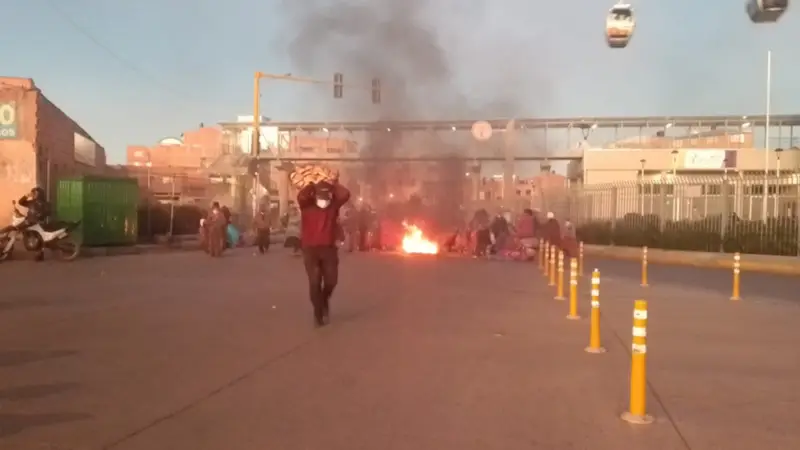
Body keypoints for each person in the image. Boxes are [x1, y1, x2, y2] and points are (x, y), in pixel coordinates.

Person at [297, 180, 351, 327]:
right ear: (315, 196)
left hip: (328, 249)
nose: (324, 199)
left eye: (326, 195)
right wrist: (311, 185)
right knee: (314, 282)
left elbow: (345, 194)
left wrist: (333, 184)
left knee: (331, 281)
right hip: (310, 249)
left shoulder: (333, 207)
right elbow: (301, 196)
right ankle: (318, 312)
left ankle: (324, 299)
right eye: (320, 195)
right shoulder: (306, 206)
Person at [17, 187, 51, 261]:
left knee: (39, 239)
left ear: (40, 194)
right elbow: (20, 202)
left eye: (35, 193)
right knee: (30, 237)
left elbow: (48, 212)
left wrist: (41, 215)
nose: (34, 194)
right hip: (30, 223)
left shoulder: (44, 203)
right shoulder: (31, 202)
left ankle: (39, 254)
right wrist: (26, 195)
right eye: (33, 193)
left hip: (39, 224)